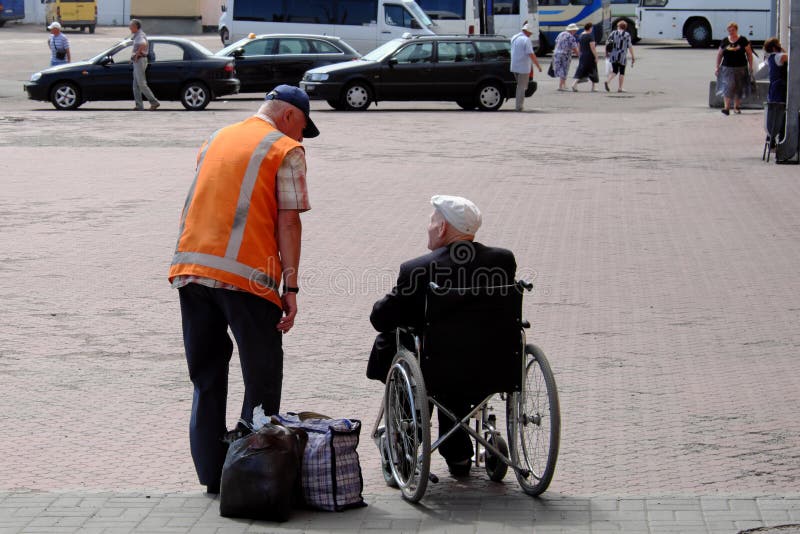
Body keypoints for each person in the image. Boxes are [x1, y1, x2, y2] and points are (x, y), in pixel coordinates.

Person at [168, 85, 319, 494]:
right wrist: (291, 286)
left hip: (190, 270)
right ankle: (252, 477)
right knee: (261, 375)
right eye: (303, 128)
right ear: (289, 116)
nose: (302, 138)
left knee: (207, 377)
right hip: (247, 277)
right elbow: (289, 222)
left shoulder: (216, 137)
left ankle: (212, 476)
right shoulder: (284, 149)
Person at [368, 195, 516, 477]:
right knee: (457, 357)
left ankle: (408, 435)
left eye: (432, 221)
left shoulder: (418, 269)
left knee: (397, 342)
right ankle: (458, 454)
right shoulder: (503, 261)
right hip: (494, 366)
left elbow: (381, 318)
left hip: (436, 367)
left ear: (443, 228)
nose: (428, 226)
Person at [714, 22, 754, 115]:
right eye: (729, 30)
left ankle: (736, 107)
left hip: (741, 67)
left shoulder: (743, 40)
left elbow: (749, 54)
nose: (731, 32)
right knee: (728, 86)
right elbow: (719, 55)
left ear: (736, 30)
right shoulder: (724, 41)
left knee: (738, 87)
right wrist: (717, 67)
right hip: (727, 67)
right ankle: (726, 108)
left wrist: (750, 66)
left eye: (733, 30)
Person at [510, 22, 542, 112]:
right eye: (530, 33)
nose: (531, 35)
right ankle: (519, 106)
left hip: (514, 66)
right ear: (527, 32)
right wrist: (538, 66)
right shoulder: (526, 40)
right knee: (521, 87)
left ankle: (519, 105)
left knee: (519, 86)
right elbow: (531, 54)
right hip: (523, 67)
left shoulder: (514, 37)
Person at [129, 19, 160, 111]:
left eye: (131, 26)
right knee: (135, 85)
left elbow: (143, 44)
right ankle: (139, 105)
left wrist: (137, 54)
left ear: (135, 27)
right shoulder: (137, 35)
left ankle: (154, 102)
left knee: (141, 84)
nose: (129, 28)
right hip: (137, 61)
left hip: (140, 61)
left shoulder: (140, 35)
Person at [605, 20, 635, 93]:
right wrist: (633, 56)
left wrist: (607, 53)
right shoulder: (627, 34)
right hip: (622, 55)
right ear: (625, 27)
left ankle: (608, 81)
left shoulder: (613, 33)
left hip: (613, 54)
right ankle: (620, 88)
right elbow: (630, 46)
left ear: (618, 26)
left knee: (615, 70)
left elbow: (607, 43)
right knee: (622, 71)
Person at [571, 22, 599, 92]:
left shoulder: (580, 35)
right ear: (590, 28)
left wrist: (579, 54)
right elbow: (592, 48)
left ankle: (575, 84)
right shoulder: (590, 36)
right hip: (589, 55)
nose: (592, 29)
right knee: (593, 70)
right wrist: (596, 56)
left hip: (583, 55)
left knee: (582, 70)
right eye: (591, 28)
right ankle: (593, 87)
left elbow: (579, 46)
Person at [552, 23, 580, 91]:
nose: (575, 31)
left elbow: (556, 43)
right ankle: (560, 86)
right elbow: (574, 48)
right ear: (572, 30)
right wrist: (579, 55)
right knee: (564, 70)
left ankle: (564, 84)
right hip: (565, 55)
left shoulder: (561, 34)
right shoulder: (571, 37)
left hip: (557, 54)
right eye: (575, 30)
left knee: (560, 68)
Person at [764, 37, 788, 104]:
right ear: (774, 47)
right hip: (780, 85)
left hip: (773, 84)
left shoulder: (769, 58)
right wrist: (784, 50)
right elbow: (792, 57)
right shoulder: (779, 56)